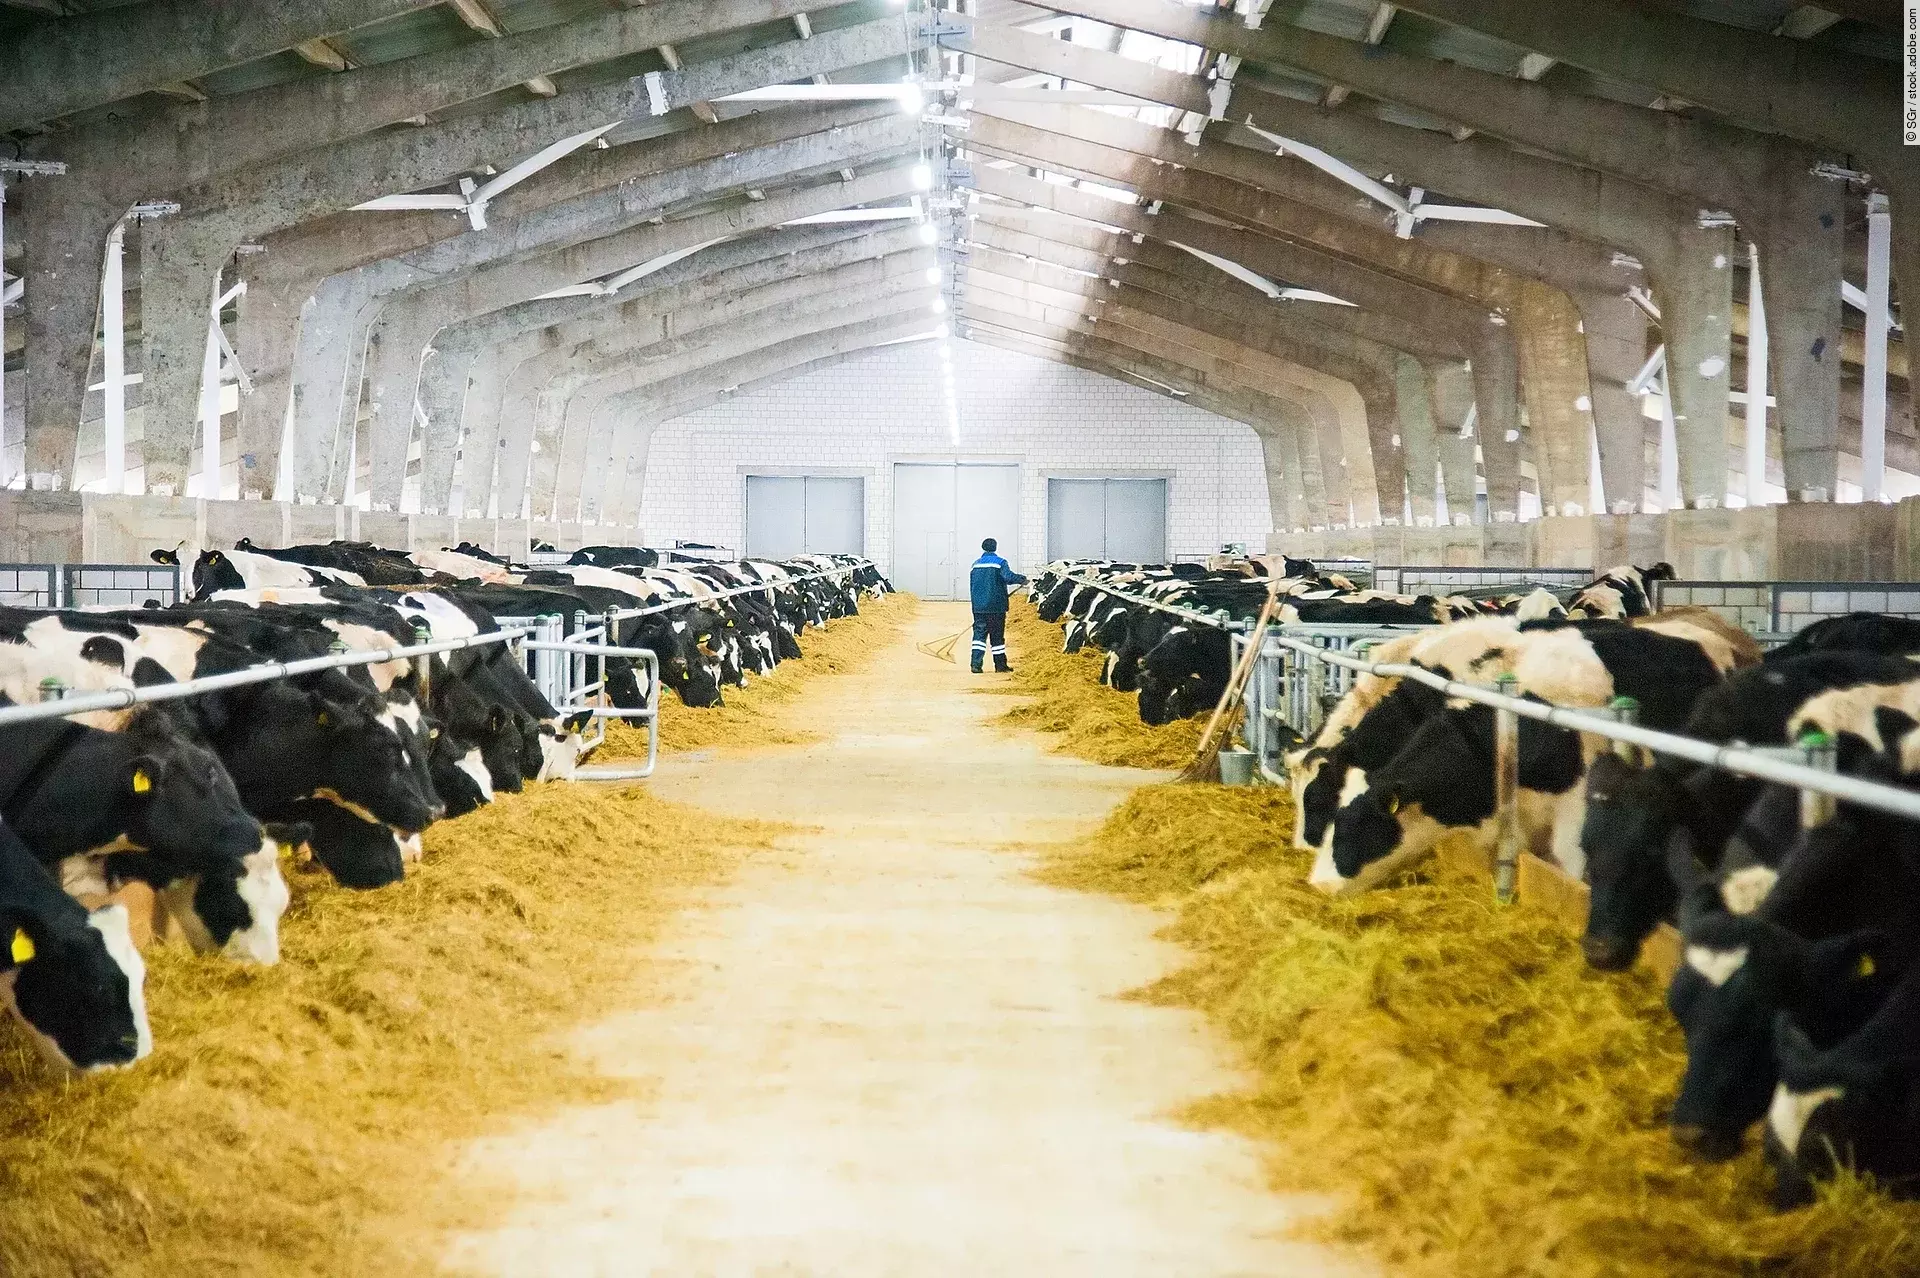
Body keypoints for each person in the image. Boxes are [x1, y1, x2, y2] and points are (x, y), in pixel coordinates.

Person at [968, 537, 1026, 674]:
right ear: (995, 547)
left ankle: (975, 665)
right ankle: (1000, 666)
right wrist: (1022, 579)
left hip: (979, 607)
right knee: (997, 636)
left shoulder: (975, 564)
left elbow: (973, 586)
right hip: (996, 607)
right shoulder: (1000, 563)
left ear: (983, 548)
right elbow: (1008, 577)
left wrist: (976, 605)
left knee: (979, 636)